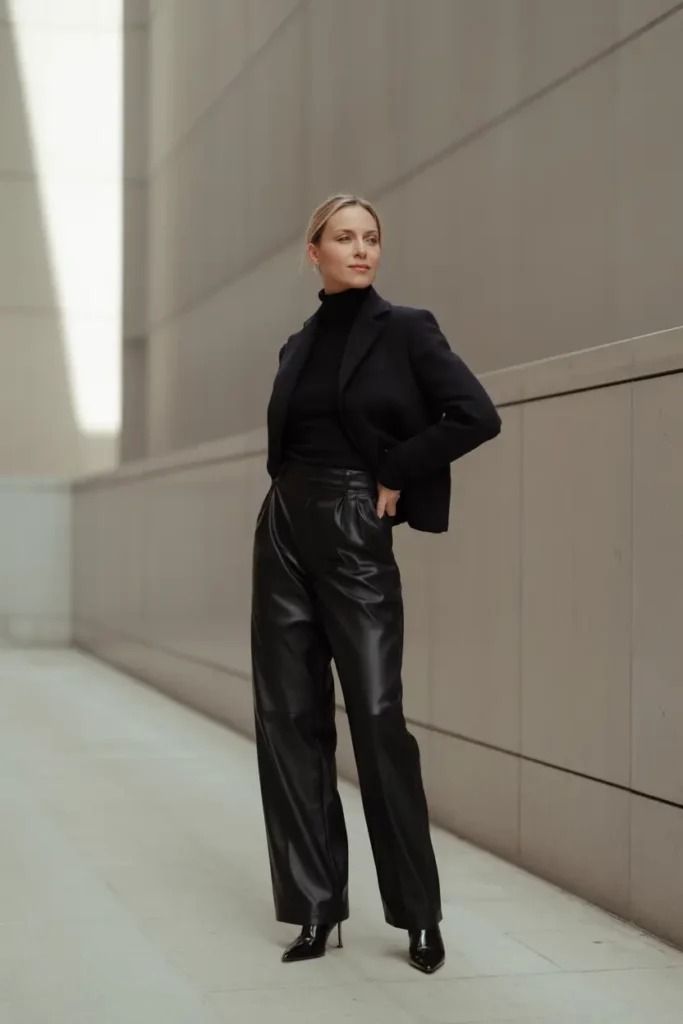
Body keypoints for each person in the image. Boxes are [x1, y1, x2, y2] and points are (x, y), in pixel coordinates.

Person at [251, 194, 501, 974]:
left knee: (377, 716)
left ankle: (417, 915)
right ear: (313, 251)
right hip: (284, 523)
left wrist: (393, 471)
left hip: (354, 525)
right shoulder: (295, 345)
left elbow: (474, 414)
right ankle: (315, 907)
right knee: (288, 716)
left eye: (371, 239)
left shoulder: (405, 330)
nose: (361, 250)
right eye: (344, 238)